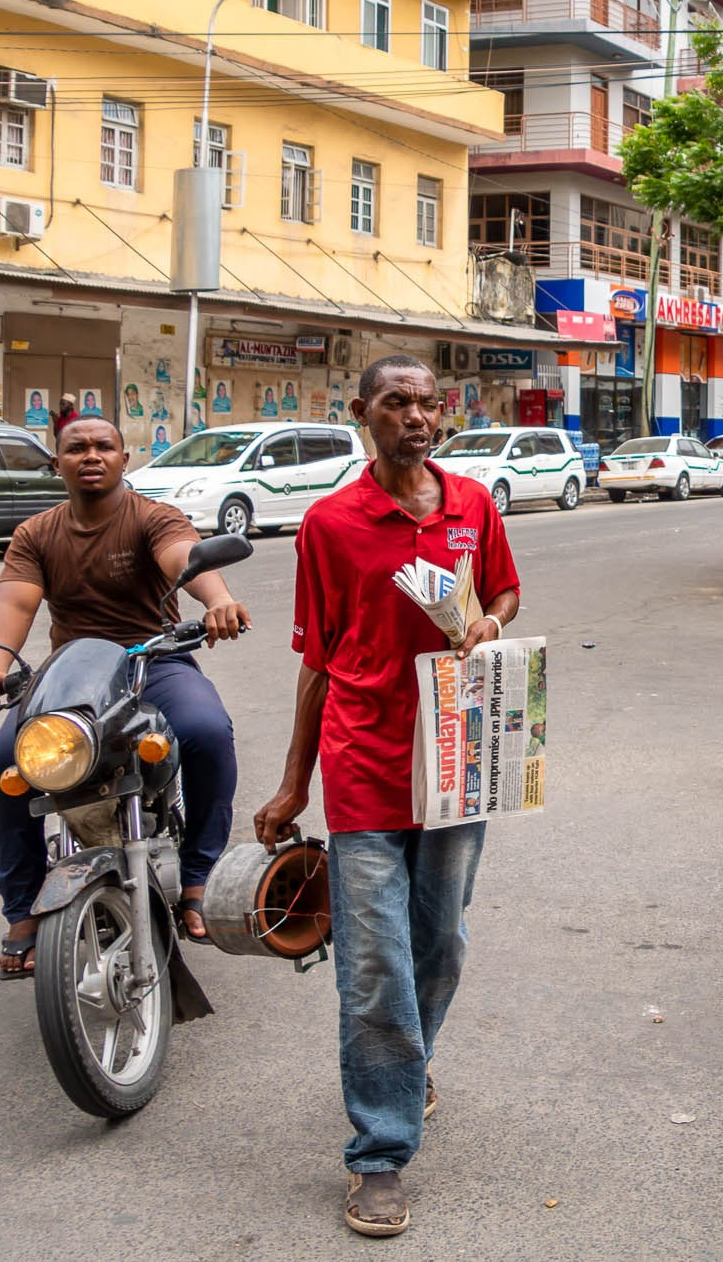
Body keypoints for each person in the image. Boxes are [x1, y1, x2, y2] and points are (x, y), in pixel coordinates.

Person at [251, 355, 521, 1238]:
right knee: (374, 960)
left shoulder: (471, 505)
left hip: (458, 756)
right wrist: (295, 781)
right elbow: (317, 659)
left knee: (437, 940)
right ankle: (380, 1151)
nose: (417, 415)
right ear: (362, 412)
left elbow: (508, 591)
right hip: (363, 762)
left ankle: (408, 1064)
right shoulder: (329, 524)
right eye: (397, 402)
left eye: (428, 402)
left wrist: (488, 619)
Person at [0, 416, 251, 979]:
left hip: (152, 659)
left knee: (207, 732)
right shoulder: (36, 533)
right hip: (72, 673)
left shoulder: (151, 517)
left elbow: (184, 559)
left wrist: (218, 598)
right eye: (76, 448)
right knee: (7, 760)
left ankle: (197, 876)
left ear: (124, 459)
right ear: (58, 464)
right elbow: (17, 606)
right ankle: (23, 909)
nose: (91, 455)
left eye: (104, 447)